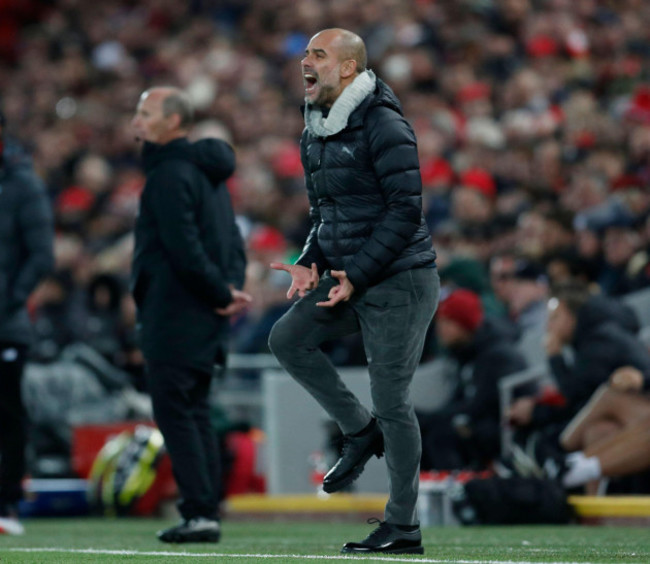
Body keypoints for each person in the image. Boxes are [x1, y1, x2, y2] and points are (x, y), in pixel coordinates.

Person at [268, 29, 439, 555]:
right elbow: (325, 217)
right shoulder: (315, 129)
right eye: (305, 53)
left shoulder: (384, 123)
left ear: (347, 68)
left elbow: (406, 209)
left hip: (400, 279)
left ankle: (403, 525)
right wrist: (310, 262)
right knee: (287, 339)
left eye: (318, 54)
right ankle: (358, 431)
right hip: (351, 278)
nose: (305, 61)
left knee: (392, 398)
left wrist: (357, 274)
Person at [130, 87, 251, 543]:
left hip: (175, 312)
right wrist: (227, 291)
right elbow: (231, 241)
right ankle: (206, 511)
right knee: (195, 411)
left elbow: (182, 246)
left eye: (145, 113)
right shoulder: (209, 176)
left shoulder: (169, 173)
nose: (136, 121)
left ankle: (199, 512)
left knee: (178, 412)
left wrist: (220, 291)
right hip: (206, 313)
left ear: (175, 123)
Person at [0, 109, 55, 534]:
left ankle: (7, 504)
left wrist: (8, 302)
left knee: (7, 412)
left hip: (5, 322)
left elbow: (41, 256)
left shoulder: (21, 185)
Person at [418, 289, 529, 471]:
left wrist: (428, 418)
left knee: (440, 435)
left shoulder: (496, 356)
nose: (440, 329)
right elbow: (460, 401)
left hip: (505, 432)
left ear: (465, 324)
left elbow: (479, 406)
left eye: (448, 321)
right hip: (478, 424)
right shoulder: (466, 353)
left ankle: (457, 493)